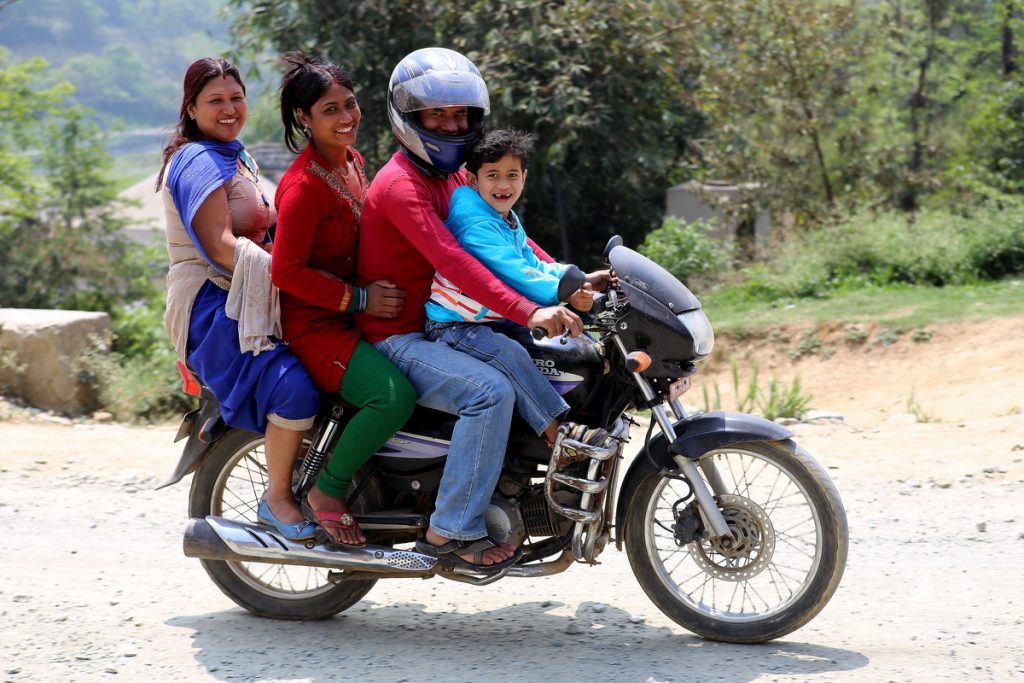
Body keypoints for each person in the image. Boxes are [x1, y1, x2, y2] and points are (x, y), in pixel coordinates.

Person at [357, 47, 584, 572]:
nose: (450, 124)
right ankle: (448, 531)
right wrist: (527, 310)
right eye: (435, 114)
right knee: (489, 392)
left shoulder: (459, 174)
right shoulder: (401, 185)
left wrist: (567, 281)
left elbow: (509, 247)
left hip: (448, 325)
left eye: (459, 114)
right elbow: (455, 261)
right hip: (401, 337)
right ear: (408, 118)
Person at [158, 57, 320, 541]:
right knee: (296, 386)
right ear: (191, 107)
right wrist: (310, 283)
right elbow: (222, 249)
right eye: (215, 101)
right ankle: (276, 501)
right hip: (214, 307)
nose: (229, 109)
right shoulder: (196, 161)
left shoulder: (234, 153)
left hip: (249, 294)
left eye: (236, 97)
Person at [271, 52, 416, 547]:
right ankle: (328, 491)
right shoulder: (303, 186)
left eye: (350, 104)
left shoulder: (353, 163)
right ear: (303, 119)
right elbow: (285, 270)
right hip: (318, 327)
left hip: (357, 316)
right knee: (393, 396)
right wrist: (358, 300)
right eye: (329, 109)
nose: (346, 117)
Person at [424, 128, 614, 455]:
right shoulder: (475, 223)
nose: (503, 185)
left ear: (524, 178)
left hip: (491, 319)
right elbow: (514, 272)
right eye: (492, 175)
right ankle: (558, 434)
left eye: (511, 175)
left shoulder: (503, 217)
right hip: (456, 326)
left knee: (567, 343)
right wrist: (563, 289)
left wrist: (581, 278)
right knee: (510, 354)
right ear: (473, 180)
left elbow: (530, 262)